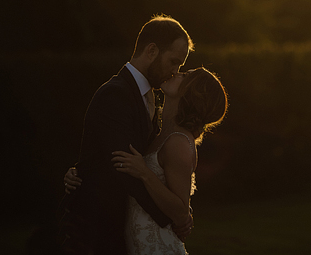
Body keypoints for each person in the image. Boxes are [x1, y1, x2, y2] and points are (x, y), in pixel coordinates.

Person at [60, 15, 194, 255]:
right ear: (151, 50)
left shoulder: (149, 96)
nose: (175, 72)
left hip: (123, 226)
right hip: (98, 229)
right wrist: (173, 217)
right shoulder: (116, 94)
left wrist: (178, 209)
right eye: (174, 62)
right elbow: (122, 166)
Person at [66, 67, 228, 255]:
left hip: (157, 246)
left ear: (191, 93)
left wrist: (144, 172)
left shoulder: (179, 142)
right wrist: (79, 172)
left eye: (184, 75)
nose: (176, 73)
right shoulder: (159, 133)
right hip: (133, 242)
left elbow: (181, 212)